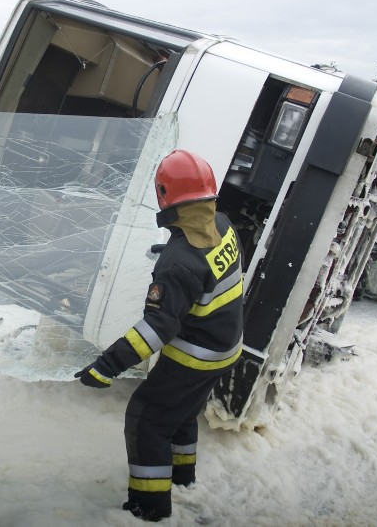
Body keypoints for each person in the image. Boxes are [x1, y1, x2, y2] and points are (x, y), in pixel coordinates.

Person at [75, 150, 244, 522]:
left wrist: (106, 367)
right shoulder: (225, 223)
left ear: (165, 196)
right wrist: (174, 252)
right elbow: (206, 267)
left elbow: (155, 330)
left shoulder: (178, 263)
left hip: (193, 357)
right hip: (226, 348)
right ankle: (183, 479)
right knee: (181, 413)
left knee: (146, 419)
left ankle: (148, 508)